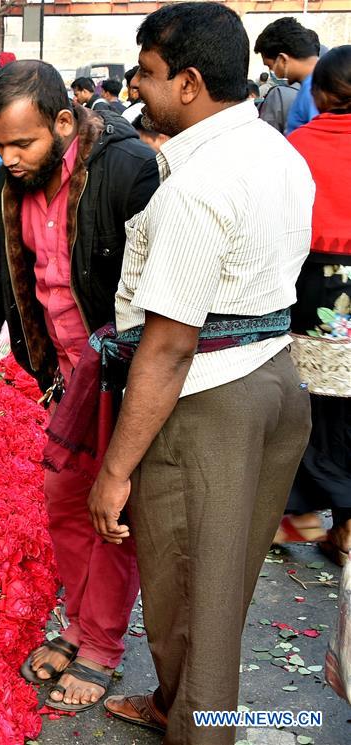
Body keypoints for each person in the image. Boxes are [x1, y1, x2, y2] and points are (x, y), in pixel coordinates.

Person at [82, 5, 313, 743]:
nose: (137, 88)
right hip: (273, 380)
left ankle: (200, 727)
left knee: (197, 601)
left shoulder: (195, 187)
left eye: (146, 74)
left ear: (185, 82)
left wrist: (115, 469)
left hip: (208, 396)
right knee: (214, 586)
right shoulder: (276, 150)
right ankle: (173, 708)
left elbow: (168, 346)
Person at [0, 59, 158, 714]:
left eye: (23, 144)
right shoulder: (11, 184)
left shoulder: (125, 171)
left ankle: (99, 642)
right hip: (61, 375)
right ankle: (78, 623)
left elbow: (155, 292)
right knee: (65, 503)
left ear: (65, 123)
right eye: (0, 146)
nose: (9, 159)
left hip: (121, 377)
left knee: (110, 512)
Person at [278, 45, 351, 566]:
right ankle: (346, 526)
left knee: (307, 398)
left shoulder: (294, 147)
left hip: (310, 286)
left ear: (320, 93)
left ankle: (302, 513)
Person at [255, 17, 320, 134]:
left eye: (270, 66)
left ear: (282, 60)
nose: (272, 72)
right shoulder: (321, 82)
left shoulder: (313, 92)